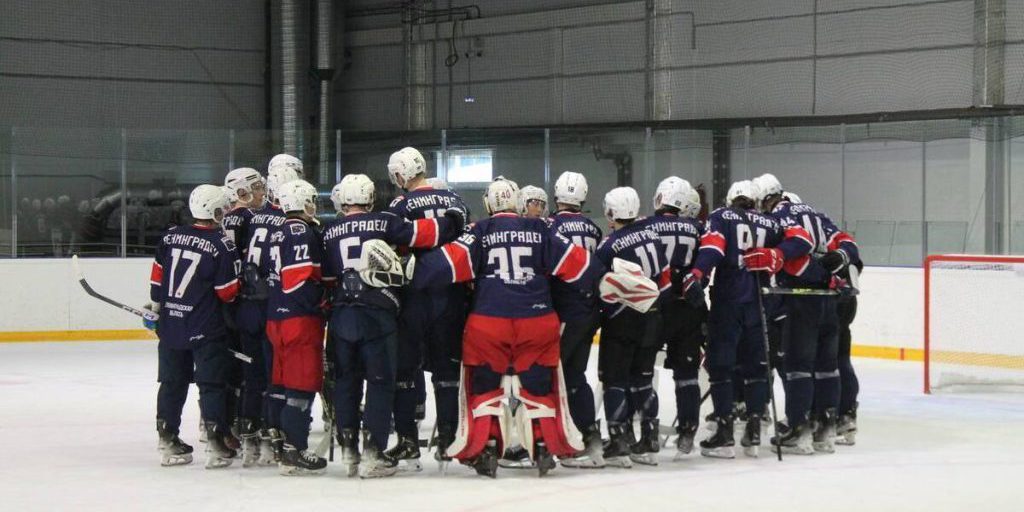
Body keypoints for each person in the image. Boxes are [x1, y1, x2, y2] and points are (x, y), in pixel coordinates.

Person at [410, 178, 648, 478]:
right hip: (538, 321)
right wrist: (605, 278)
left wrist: (408, 268)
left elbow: (445, 265)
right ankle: (543, 446)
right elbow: (576, 263)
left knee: (483, 388)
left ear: (488, 204)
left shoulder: (479, 232)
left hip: (489, 321)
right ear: (517, 204)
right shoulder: (540, 229)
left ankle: (485, 448)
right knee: (540, 386)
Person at [321, 173, 465, 478]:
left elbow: (327, 279)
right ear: (371, 198)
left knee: (346, 379)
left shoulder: (329, 231)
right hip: (377, 311)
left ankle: (349, 450)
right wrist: (453, 218)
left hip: (341, 314)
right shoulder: (384, 221)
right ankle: (374, 452)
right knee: (380, 381)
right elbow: (425, 234)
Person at [681, 180, 813, 459]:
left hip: (728, 302)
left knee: (721, 366)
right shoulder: (770, 223)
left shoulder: (720, 216)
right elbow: (802, 241)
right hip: (759, 302)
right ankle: (754, 431)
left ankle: (725, 433)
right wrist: (777, 254)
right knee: (756, 367)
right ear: (754, 201)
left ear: (731, 199)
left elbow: (714, 249)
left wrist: (697, 274)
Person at [757, 174, 860, 455]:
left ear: (766, 198)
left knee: (798, 365)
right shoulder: (815, 212)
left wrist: (818, 275)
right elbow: (846, 242)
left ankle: (799, 429)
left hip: (802, 299)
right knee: (828, 365)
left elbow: (795, 255)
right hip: (831, 302)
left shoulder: (780, 214)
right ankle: (826, 429)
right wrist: (840, 260)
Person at [385, 147, 471, 470]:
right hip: (451, 294)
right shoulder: (454, 201)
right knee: (447, 372)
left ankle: (407, 441)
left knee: (405, 370)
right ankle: (448, 440)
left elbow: (392, 243)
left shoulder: (400, 204)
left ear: (400, 175)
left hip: (413, 297)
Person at [147, 184, 242, 468]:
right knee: (211, 385)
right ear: (215, 211)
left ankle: (167, 439)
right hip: (205, 327)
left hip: (171, 326)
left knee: (171, 383)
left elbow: (156, 283)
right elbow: (227, 292)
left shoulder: (170, 236)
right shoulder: (222, 245)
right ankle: (215, 444)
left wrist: (158, 308)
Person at [593, 187, 672, 467]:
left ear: (612, 212)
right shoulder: (653, 236)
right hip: (653, 317)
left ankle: (619, 443)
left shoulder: (609, 245)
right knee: (642, 379)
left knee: (615, 380)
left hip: (623, 320)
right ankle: (649, 442)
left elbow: (598, 285)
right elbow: (665, 282)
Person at [236, 159, 300, 466]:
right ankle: (275, 430)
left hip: (249, 305)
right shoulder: (288, 223)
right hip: (274, 308)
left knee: (253, 375)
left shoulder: (255, 219)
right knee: (276, 373)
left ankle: (250, 431)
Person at [264, 179, 328, 475]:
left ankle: (278, 440)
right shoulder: (301, 230)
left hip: (275, 318)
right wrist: (323, 300)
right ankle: (295, 448)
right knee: (301, 386)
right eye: (311, 200)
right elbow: (297, 278)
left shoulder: (276, 230)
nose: (314, 205)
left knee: (280, 383)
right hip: (299, 319)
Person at [641, 177, 706, 460]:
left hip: (656, 308)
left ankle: (647, 431)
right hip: (688, 311)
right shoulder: (697, 227)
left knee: (643, 370)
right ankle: (688, 429)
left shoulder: (646, 226)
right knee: (687, 374)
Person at [546, 172, 606, 469]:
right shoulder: (593, 229)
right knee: (574, 375)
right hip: (589, 311)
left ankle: (557, 440)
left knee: (550, 376)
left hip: (565, 310)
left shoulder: (551, 226)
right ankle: (588, 437)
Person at [221, 167, 269, 465]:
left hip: (226, 307)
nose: (262, 192)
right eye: (256, 188)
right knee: (256, 371)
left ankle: (223, 425)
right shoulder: (253, 220)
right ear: (241, 192)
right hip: (250, 306)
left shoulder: (221, 220)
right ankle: (255, 426)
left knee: (230, 372)